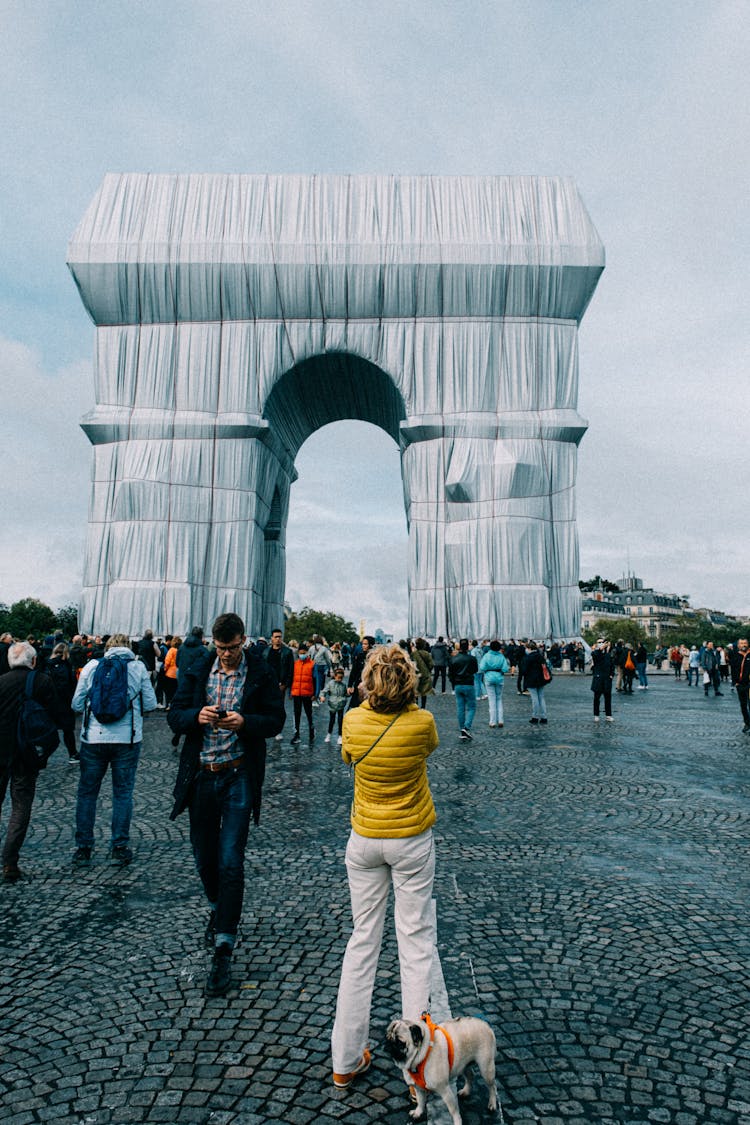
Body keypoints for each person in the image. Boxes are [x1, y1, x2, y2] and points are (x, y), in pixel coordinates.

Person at [331, 644, 438, 1090]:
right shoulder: (423, 723)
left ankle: (345, 1059)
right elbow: (426, 751)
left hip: (366, 838)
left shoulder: (353, 720)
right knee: (414, 944)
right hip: (411, 838)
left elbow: (347, 758)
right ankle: (419, 1062)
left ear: (368, 681)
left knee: (362, 944)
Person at [167, 612, 284, 998]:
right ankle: (219, 908)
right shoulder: (199, 666)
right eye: (222, 649)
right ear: (213, 645)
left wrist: (245, 722)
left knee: (231, 859)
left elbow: (276, 720)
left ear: (243, 641)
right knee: (204, 859)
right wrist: (195, 717)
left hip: (238, 776)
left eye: (233, 648)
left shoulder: (260, 671)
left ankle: (224, 945)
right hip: (201, 776)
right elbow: (175, 714)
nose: (228, 655)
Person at [71, 633, 157, 868]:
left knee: (87, 793)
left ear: (107, 647)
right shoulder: (138, 667)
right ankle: (119, 846)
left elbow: (76, 704)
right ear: (129, 648)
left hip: (93, 739)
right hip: (127, 739)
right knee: (122, 793)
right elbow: (150, 704)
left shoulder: (91, 666)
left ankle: (84, 847)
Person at [0, 641, 62, 881]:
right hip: (26, 753)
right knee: (21, 806)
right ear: (33, 661)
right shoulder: (42, 682)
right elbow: (56, 715)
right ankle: (9, 862)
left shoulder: (1, 682)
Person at [45, 642, 80, 761]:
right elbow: (71, 684)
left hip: (50, 702)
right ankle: (73, 753)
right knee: (68, 730)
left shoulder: (47, 664)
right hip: (65, 702)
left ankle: (43, 753)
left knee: (49, 729)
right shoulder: (67, 665)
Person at [262, 628, 294, 743]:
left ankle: (278, 730)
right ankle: (266, 728)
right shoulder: (266, 652)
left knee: (279, 707)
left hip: (280, 684)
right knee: (265, 707)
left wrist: (285, 684)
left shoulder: (287, 652)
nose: (278, 639)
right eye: (276, 637)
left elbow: (290, 670)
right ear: (271, 638)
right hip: (267, 684)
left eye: (280, 637)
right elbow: (262, 668)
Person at [449, 638, 478, 740]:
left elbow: (450, 674)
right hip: (469, 684)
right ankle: (466, 727)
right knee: (472, 707)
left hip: (458, 685)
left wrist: (454, 683)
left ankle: (462, 729)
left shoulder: (453, 659)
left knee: (460, 708)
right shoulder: (472, 659)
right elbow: (475, 670)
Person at [479, 641, 510, 728]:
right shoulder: (501, 656)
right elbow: (505, 669)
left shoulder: (487, 656)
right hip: (499, 678)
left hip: (489, 678)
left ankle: (492, 721)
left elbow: (482, 667)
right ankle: (500, 720)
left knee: (492, 700)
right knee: (499, 699)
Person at [290, 643, 316, 743]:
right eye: (300, 653)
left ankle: (311, 730)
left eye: (304, 653)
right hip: (296, 692)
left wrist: (314, 694)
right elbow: (292, 678)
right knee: (296, 714)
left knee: (309, 713)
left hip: (307, 693)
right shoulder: (295, 664)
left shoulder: (312, 664)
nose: (302, 655)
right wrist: (291, 692)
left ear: (307, 653)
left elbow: (315, 679)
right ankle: (296, 734)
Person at [521, 641, 549, 724]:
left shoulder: (528, 658)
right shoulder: (540, 656)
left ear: (529, 648)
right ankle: (544, 717)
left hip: (531, 680)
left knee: (534, 699)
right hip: (541, 679)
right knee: (541, 698)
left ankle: (535, 716)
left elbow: (524, 670)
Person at [320, 665, 348, 744]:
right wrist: (322, 696)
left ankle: (340, 736)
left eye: (341, 678)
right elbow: (324, 691)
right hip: (332, 704)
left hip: (341, 704)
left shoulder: (343, 684)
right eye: (338, 677)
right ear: (335, 676)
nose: (340, 679)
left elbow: (345, 693)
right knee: (332, 720)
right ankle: (329, 734)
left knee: (340, 721)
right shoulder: (330, 684)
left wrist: (349, 693)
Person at [729, 638, 750, 734]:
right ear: (738, 645)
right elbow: (733, 669)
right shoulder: (735, 655)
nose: (743, 645)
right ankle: (747, 722)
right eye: (741, 643)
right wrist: (735, 682)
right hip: (740, 684)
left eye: (745, 643)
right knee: (743, 705)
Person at [590, 639, 615, 722]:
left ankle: (608, 715)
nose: (601, 644)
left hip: (607, 679)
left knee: (608, 698)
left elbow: (612, 665)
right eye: (599, 642)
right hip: (598, 679)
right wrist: (601, 648)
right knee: (596, 698)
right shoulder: (595, 653)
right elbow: (596, 656)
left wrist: (611, 675)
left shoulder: (608, 655)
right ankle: (596, 715)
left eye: (602, 642)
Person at [347, 636, 375, 709]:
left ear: (371, 645)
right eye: (363, 644)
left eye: (365, 644)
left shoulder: (375, 657)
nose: (363, 646)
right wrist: (350, 685)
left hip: (370, 685)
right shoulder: (360, 655)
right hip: (359, 683)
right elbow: (354, 671)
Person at [411, 638, 434, 710]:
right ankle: (423, 707)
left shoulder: (413, 654)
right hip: (425, 675)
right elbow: (431, 664)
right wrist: (428, 671)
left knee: (416, 691)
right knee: (424, 692)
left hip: (416, 675)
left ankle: (416, 706)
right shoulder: (427, 654)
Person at [162, 636, 181, 708]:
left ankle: (169, 705)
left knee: (169, 691)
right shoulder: (180, 650)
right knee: (176, 691)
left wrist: (165, 669)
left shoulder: (171, 650)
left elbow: (167, 661)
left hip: (170, 674)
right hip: (178, 674)